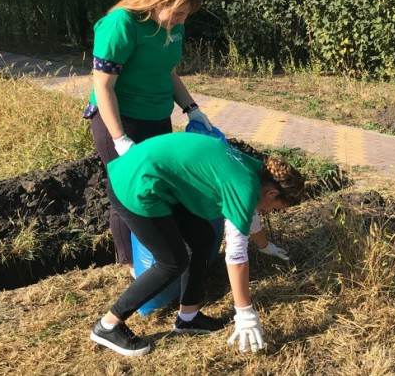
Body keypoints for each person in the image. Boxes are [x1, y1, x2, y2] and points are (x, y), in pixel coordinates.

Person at [89, 132, 305, 356]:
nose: (270, 212)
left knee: (202, 237)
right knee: (172, 262)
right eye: (276, 208)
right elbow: (236, 256)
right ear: (272, 192)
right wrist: (245, 312)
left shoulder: (254, 170)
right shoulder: (244, 186)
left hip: (155, 176)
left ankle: (188, 318)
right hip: (135, 184)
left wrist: (264, 246)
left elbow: (249, 215)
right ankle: (108, 325)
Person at [82, 0, 215, 271]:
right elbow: (103, 87)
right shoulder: (122, 25)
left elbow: (167, 72)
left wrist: (191, 108)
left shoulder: (172, 27)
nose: (181, 21)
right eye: (178, 13)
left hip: (156, 117)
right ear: (157, 2)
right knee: (129, 190)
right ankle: (130, 264)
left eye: (186, 16)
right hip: (119, 119)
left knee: (158, 188)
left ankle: (161, 256)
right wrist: (120, 139)